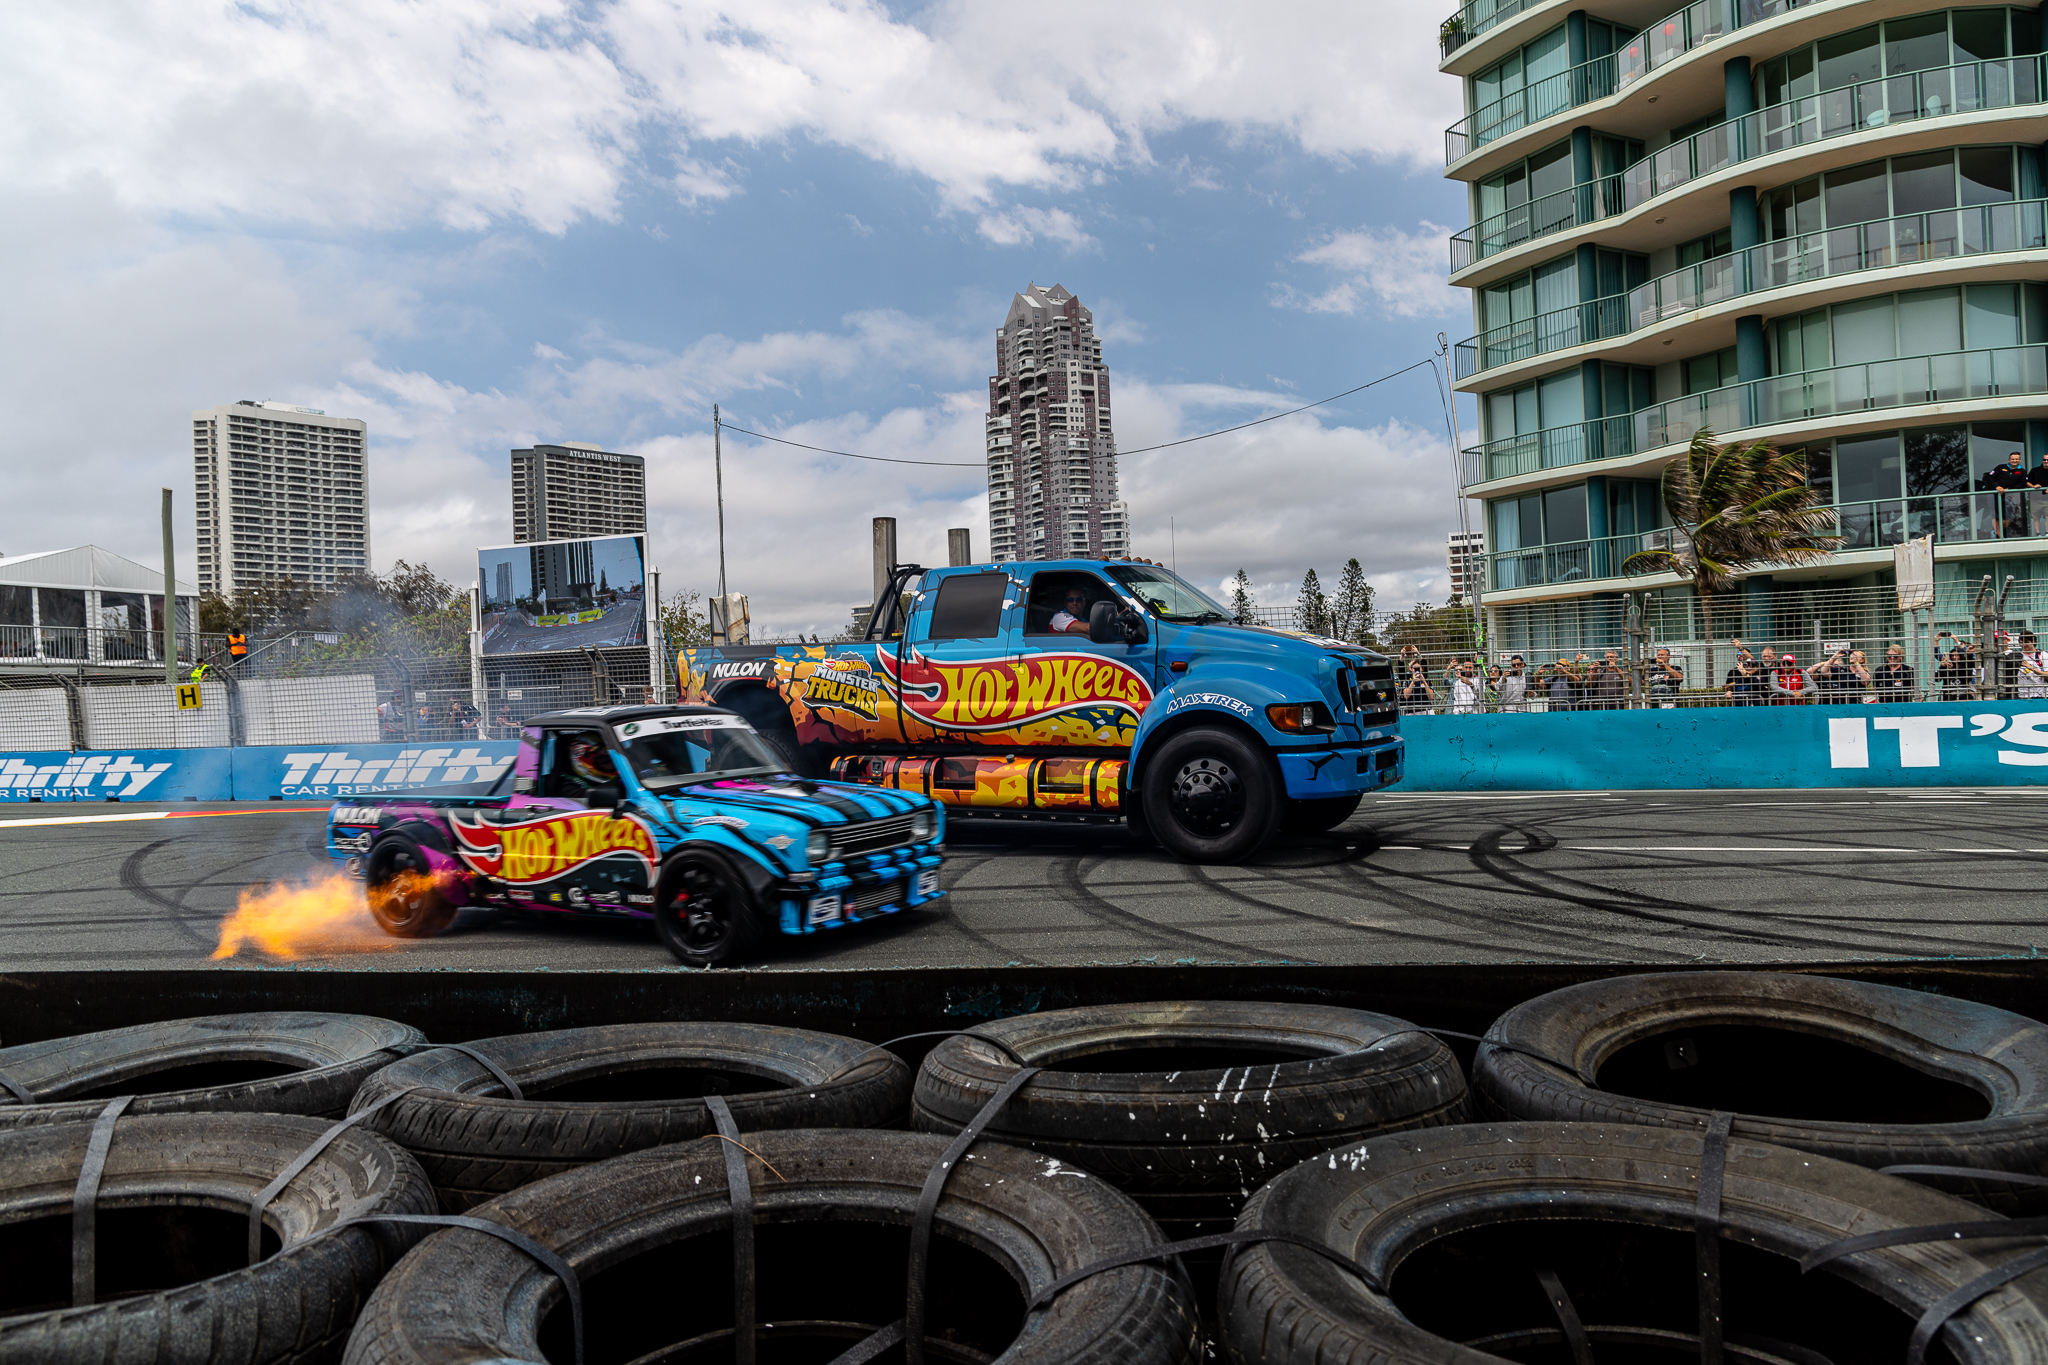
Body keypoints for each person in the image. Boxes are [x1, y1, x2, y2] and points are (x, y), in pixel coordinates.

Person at [559, 733, 623, 808]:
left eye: (615, 761)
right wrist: (621, 780)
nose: (614, 765)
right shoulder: (569, 789)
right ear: (584, 764)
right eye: (606, 761)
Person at [1936, 632, 1976, 701]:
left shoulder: (1965, 665)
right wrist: (1943, 667)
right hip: (1948, 698)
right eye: (1952, 655)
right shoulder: (1947, 665)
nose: (1954, 657)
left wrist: (1958, 642)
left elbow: (1968, 676)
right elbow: (1937, 679)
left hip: (1963, 697)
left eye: (1957, 655)